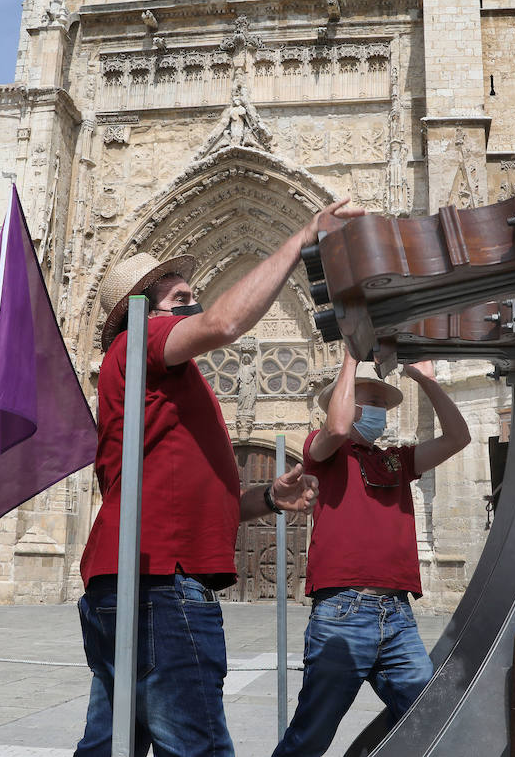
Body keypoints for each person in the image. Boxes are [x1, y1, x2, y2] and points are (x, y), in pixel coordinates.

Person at [73, 198, 362, 757]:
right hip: (160, 580)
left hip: (132, 576)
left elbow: (192, 492)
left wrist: (267, 499)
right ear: (145, 310)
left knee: (112, 746)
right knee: (197, 746)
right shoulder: (142, 340)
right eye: (181, 298)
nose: (194, 304)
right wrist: (300, 238)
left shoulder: (160, 384)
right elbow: (225, 322)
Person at [271, 353, 471, 757]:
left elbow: (458, 437)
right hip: (343, 611)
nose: (377, 410)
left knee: (429, 717)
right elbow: (339, 425)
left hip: (396, 614)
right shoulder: (322, 450)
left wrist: (427, 381)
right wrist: (349, 357)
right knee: (312, 734)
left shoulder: (394, 459)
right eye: (368, 401)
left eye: (382, 403)